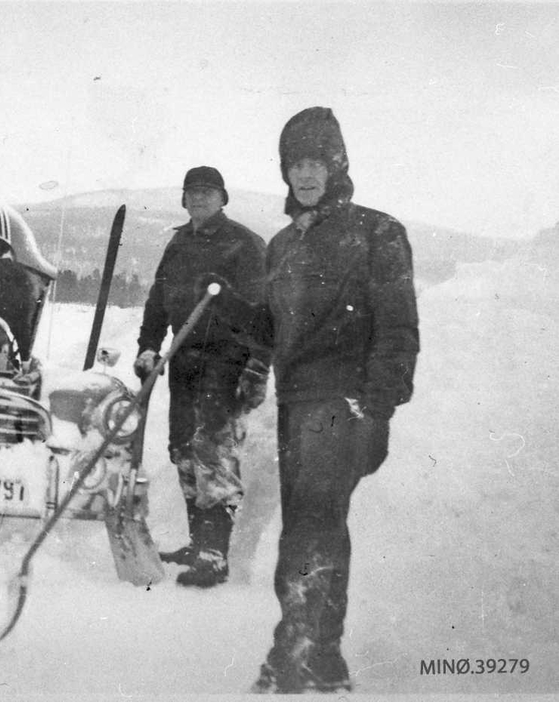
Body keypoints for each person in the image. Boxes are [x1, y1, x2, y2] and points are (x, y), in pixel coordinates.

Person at [209, 107, 419, 693]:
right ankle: (324, 656)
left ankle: (293, 653)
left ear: (337, 166)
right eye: (294, 163)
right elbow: (277, 332)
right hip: (296, 404)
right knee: (315, 525)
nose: (304, 174)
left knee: (311, 529)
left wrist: (377, 407)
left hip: (344, 401)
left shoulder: (376, 232)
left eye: (315, 161)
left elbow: (398, 326)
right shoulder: (281, 245)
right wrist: (238, 319)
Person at [133, 166, 269, 588]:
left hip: (227, 358)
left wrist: (257, 366)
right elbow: (158, 299)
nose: (199, 199)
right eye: (192, 192)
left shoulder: (244, 244)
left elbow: (267, 312)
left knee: (214, 449)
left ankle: (215, 553)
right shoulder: (179, 243)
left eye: (208, 192)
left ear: (223, 198)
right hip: (183, 357)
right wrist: (147, 344)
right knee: (184, 449)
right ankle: (198, 542)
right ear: (183, 199)